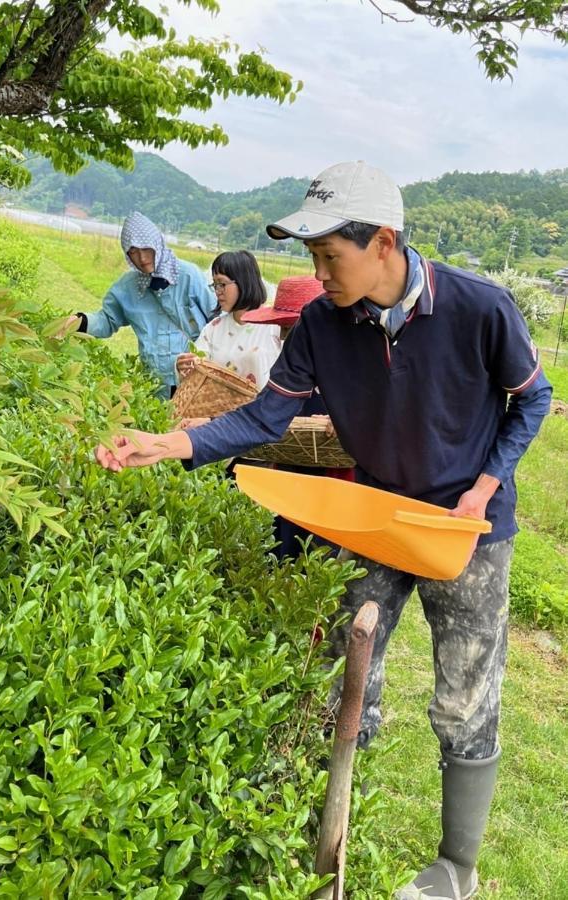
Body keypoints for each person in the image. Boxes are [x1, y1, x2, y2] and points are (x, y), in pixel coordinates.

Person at [95, 161, 552, 900]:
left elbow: (532, 400)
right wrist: (168, 443)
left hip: (465, 531)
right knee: (347, 673)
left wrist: (486, 484)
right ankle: (326, 822)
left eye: (328, 256)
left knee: (465, 697)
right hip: (375, 516)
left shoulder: (480, 307)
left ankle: (455, 868)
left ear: (384, 243)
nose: (317, 272)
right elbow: (263, 418)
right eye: (311, 256)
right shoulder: (320, 324)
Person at [241, 274, 354, 560]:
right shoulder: (291, 364)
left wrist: (346, 421)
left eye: (291, 329)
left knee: (320, 557)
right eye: (282, 330)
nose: (284, 338)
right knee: (282, 548)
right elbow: (265, 412)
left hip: (333, 482)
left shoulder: (351, 366)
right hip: (290, 473)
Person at [63, 211, 217, 398]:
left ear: (156, 244)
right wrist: (79, 322)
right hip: (154, 383)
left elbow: (217, 319)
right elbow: (107, 319)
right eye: (134, 252)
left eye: (146, 249)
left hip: (195, 382)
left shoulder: (188, 276)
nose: (142, 259)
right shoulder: (129, 286)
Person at [176, 250, 281, 390]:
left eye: (222, 284)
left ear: (244, 282)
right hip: (221, 410)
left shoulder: (275, 325)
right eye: (215, 284)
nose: (217, 291)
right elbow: (196, 373)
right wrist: (184, 367)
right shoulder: (213, 328)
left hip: (264, 409)